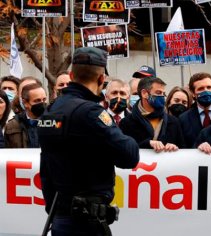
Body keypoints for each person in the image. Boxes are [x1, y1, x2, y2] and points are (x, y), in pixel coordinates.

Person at [38, 47, 139, 236]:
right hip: (86, 220)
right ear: (102, 79)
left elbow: (46, 168)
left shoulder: (51, 110)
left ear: (71, 74)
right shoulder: (91, 112)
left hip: (60, 216)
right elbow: (129, 156)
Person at [120, 77, 185, 152]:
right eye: (158, 93)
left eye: (163, 93)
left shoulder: (174, 122)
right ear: (144, 93)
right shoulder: (126, 123)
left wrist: (174, 147)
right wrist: (147, 144)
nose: (162, 96)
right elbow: (124, 150)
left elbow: (183, 149)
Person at [179, 72, 211, 148]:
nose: (206, 91)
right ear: (193, 93)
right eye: (201, 88)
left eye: (209, 87)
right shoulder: (183, 119)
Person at [4, 83, 47, 148]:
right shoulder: (12, 125)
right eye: (37, 100)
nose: (42, 103)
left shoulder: (54, 122)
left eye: (44, 99)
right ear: (25, 103)